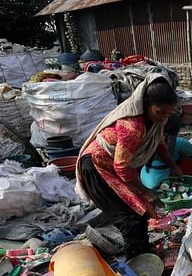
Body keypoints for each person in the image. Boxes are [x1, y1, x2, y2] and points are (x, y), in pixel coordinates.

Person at [76, 73, 183, 256]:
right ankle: (136, 265)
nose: (164, 117)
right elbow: (122, 167)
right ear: (146, 105)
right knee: (128, 218)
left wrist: (174, 167)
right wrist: (144, 190)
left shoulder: (155, 122)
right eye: (160, 112)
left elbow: (159, 143)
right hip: (96, 167)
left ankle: (144, 252)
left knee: (139, 212)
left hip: (114, 165)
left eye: (168, 113)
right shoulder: (132, 126)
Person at [140, 113, 192, 189]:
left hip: (144, 177)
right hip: (158, 182)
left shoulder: (151, 138)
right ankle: (182, 184)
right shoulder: (178, 142)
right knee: (188, 162)